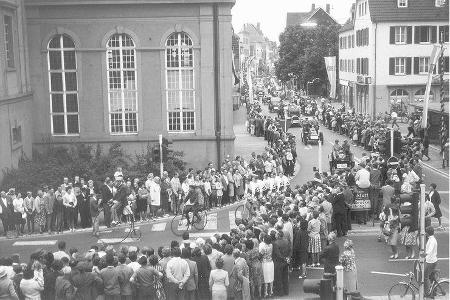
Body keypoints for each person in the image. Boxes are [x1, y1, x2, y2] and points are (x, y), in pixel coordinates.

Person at [424, 226, 438, 296]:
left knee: (425, 277)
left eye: (425, 232)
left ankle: (427, 293)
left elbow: (429, 250)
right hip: (432, 260)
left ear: (427, 233)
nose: (425, 233)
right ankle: (434, 292)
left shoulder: (432, 241)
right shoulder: (431, 239)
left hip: (431, 262)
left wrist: (423, 255)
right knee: (432, 277)